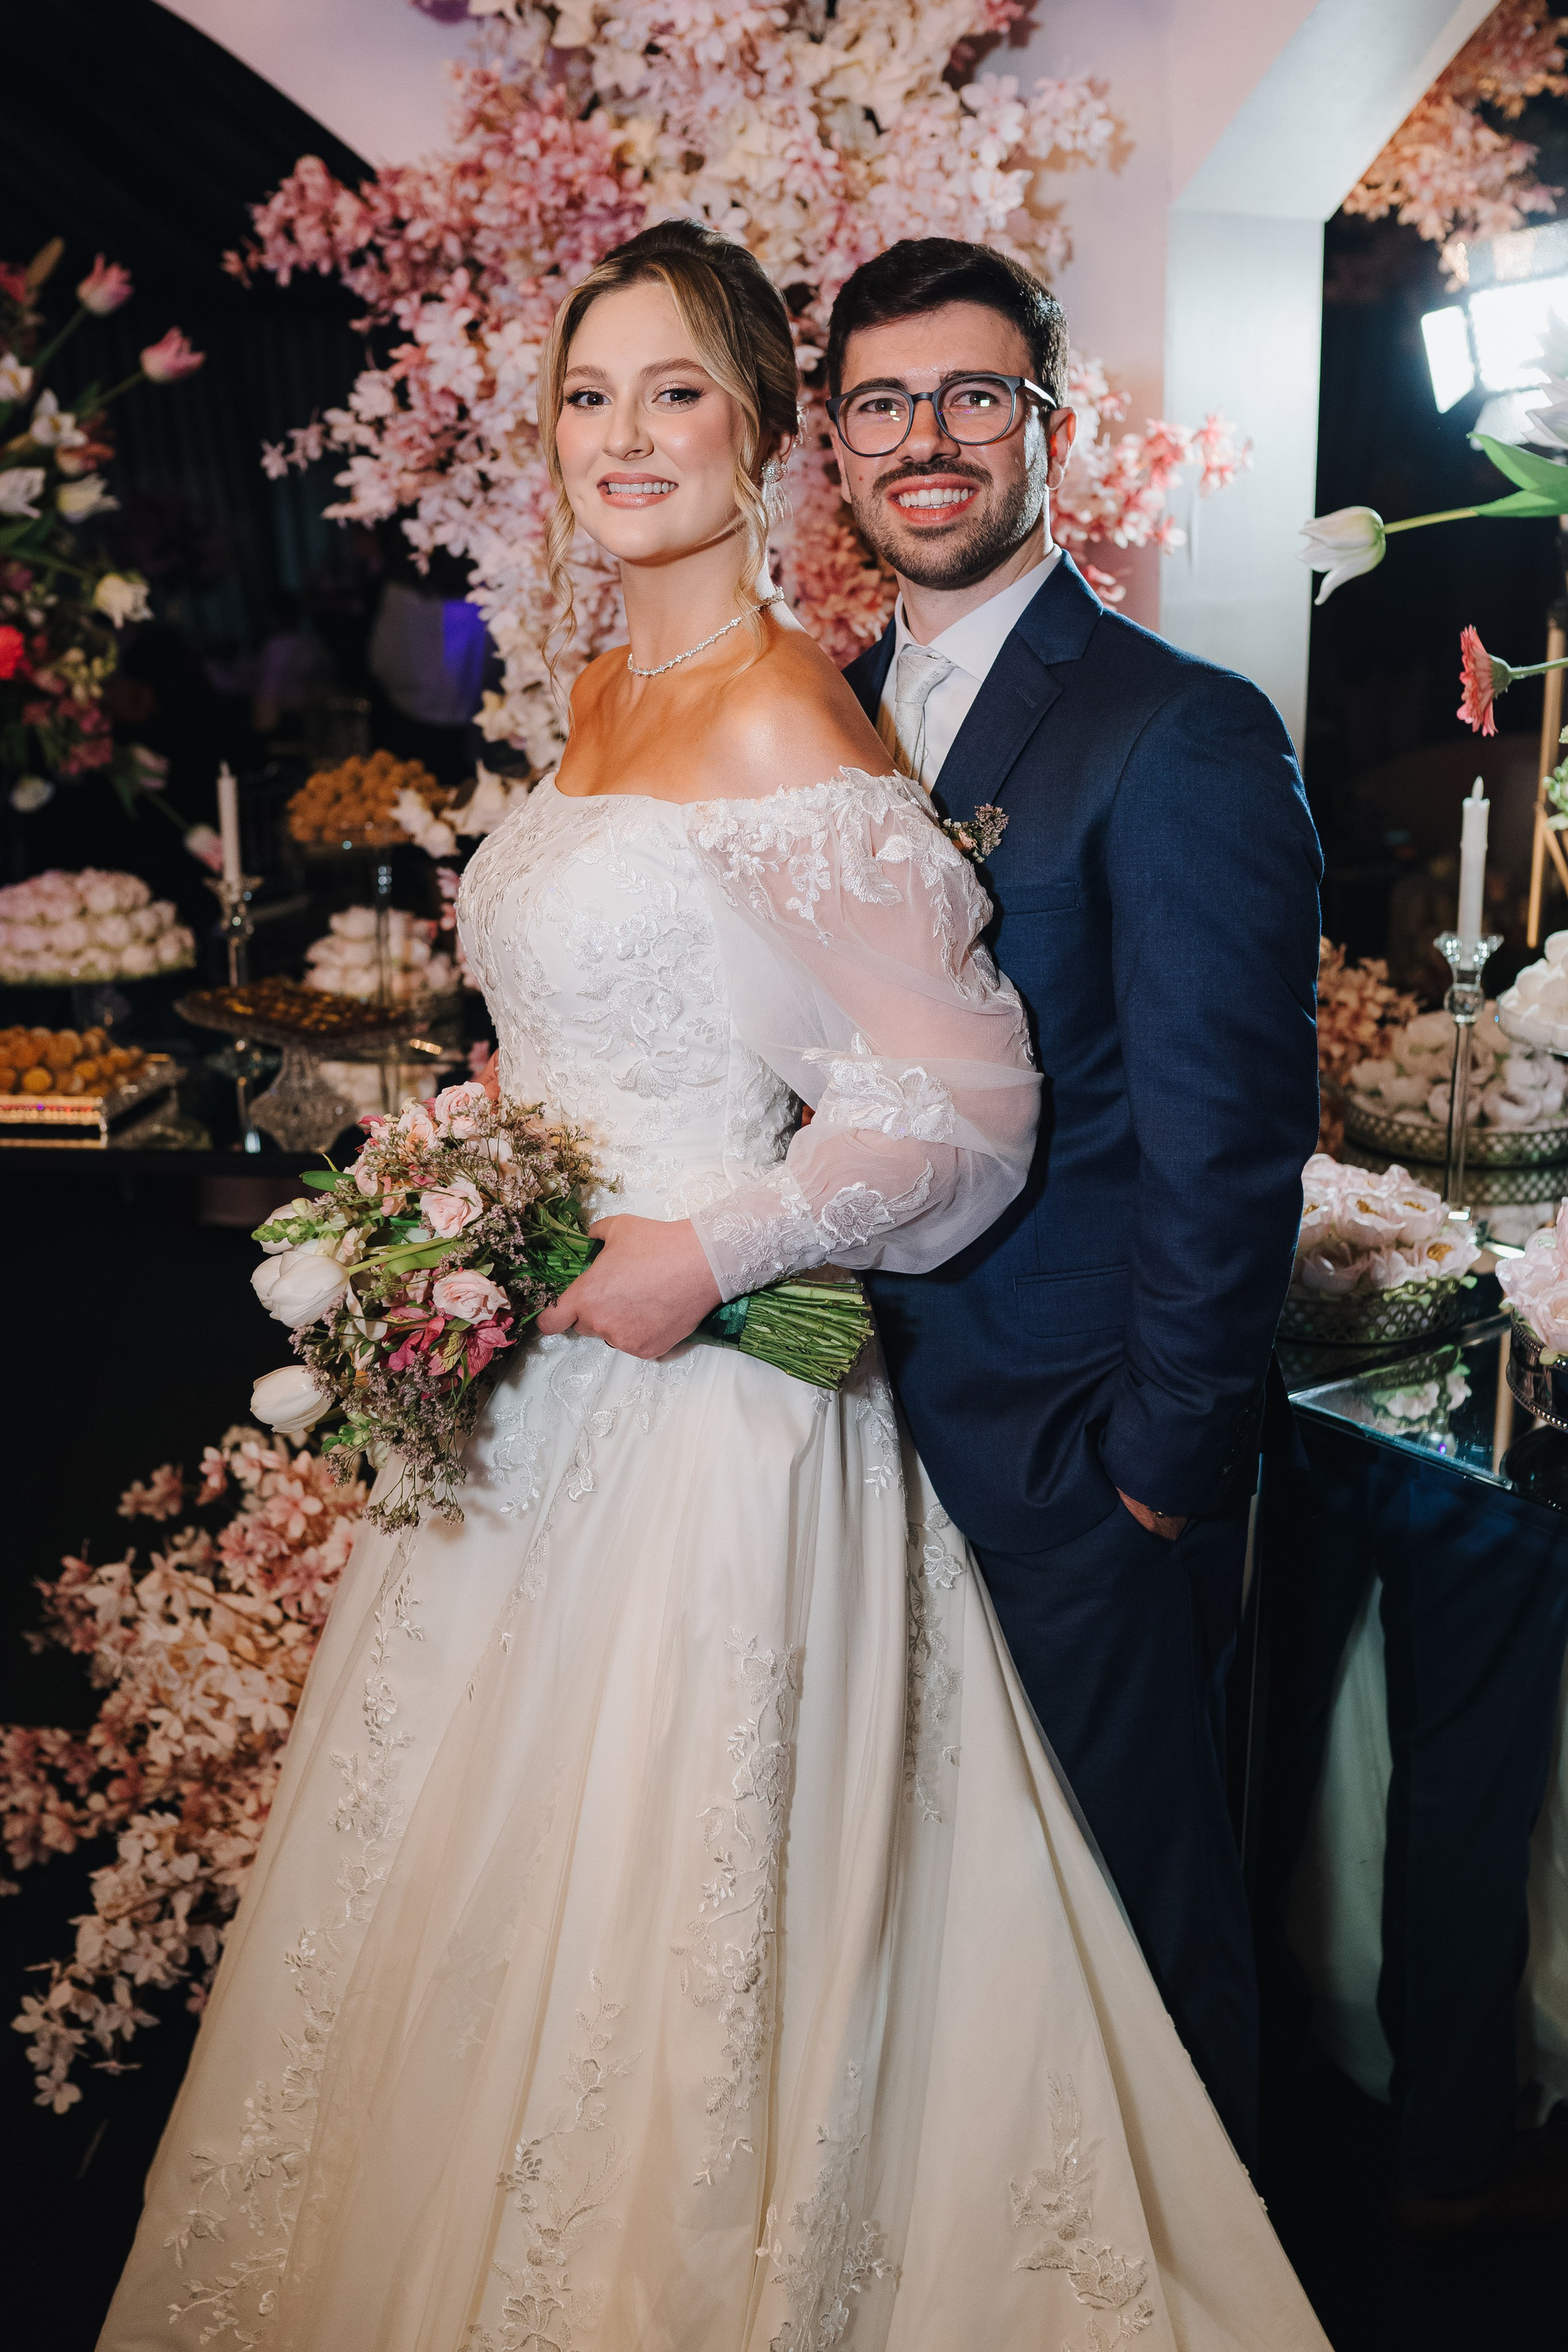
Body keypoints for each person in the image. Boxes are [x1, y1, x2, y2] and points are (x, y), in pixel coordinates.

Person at [100, 221, 1329, 2352]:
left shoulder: (849, 715)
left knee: (939, 1951)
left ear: (763, 438)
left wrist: (720, 1258)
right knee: (521, 1916)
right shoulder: (623, 697)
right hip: (569, 1409)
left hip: (855, 1423)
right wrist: (482, 1165)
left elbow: (1028, 1111)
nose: (625, 434)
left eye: (676, 391)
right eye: (589, 394)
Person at [830, 238, 1323, 2172]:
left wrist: (1159, 1477)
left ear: (1049, 426)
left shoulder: (1177, 727)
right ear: (835, 448)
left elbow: (1231, 1140)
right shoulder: (821, 719)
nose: (926, 439)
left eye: (974, 396)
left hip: (1075, 1463)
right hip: (848, 1435)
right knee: (941, 1942)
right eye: (882, 403)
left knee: (1137, 1941)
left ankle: (1212, 2281)